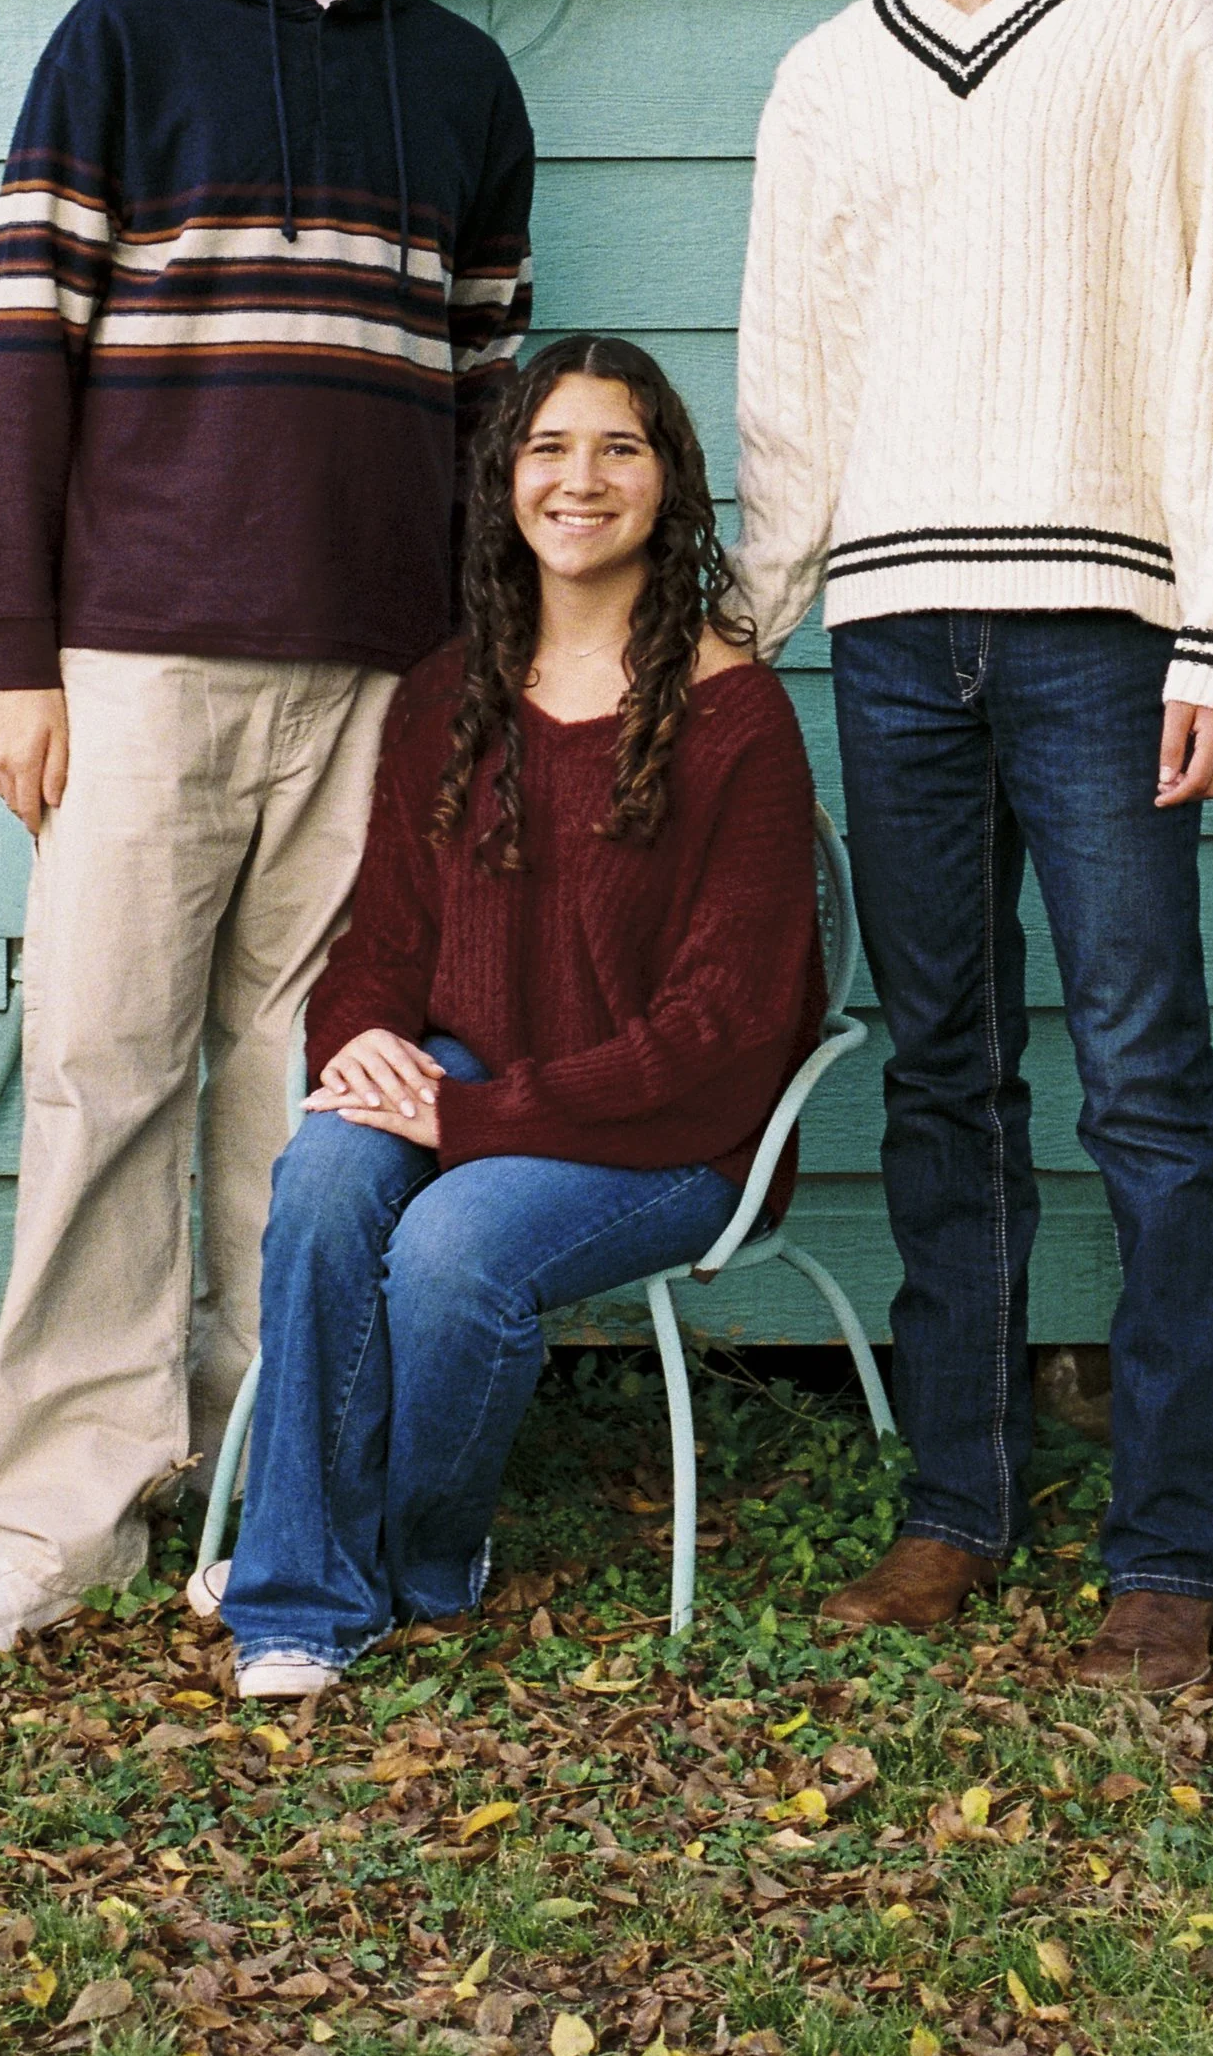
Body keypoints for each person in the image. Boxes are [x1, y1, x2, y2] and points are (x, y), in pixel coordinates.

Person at [0, 0, 535, 1661]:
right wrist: (16, 656)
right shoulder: (121, 39)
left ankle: (271, 1496)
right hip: (140, 651)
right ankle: (54, 1513)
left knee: (310, 1104)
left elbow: (488, 408)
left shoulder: (465, 87)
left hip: (384, 673)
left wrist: (473, 672)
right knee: (99, 1067)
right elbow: (22, 365)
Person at [733, 0, 1213, 1692]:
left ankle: (1171, 1537)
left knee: (1145, 1079)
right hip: (890, 632)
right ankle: (955, 1505)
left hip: (1104, 631)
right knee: (944, 1074)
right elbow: (789, 377)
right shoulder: (827, 72)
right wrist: (747, 623)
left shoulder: (1165, 9)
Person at [194, 334, 824, 1699]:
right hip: (475, 1073)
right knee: (324, 1175)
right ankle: (298, 1596)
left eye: (619, 448)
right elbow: (386, 941)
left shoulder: (738, 720)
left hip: (680, 1134)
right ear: (507, 480)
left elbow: (721, 1033)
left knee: (449, 1247)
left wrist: (476, 1115)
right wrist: (361, 1040)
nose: (579, 480)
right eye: (549, 448)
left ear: (669, 483)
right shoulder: (453, 689)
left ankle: (419, 1563)